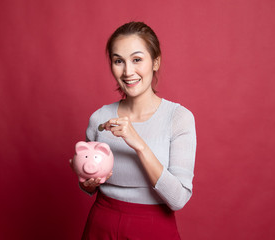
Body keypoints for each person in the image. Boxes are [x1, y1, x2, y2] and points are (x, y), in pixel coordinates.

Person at [71, 21, 196, 239]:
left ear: (155, 62)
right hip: (102, 224)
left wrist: (138, 143)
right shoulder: (99, 118)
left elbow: (178, 200)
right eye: (119, 61)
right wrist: (88, 183)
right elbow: (90, 185)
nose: (128, 71)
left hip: (153, 228)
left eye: (137, 59)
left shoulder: (178, 118)